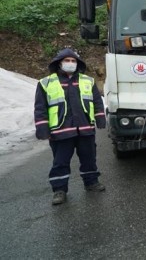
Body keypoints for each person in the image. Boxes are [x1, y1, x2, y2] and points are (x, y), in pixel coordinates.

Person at [34, 48, 106, 205]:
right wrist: (42, 128)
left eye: (73, 61)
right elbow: (40, 108)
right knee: (60, 162)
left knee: (89, 158)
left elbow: (97, 101)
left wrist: (100, 118)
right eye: (67, 61)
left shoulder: (88, 81)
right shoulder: (45, 83)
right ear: (59, 63)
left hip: (85, 129)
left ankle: (91, 182)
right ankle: (59, 190)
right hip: (60, 131)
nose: (70, 63)